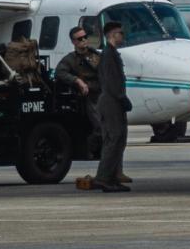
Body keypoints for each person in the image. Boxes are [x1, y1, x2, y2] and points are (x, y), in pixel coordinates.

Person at [91, 21, 132, 192]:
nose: (122, 35)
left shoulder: (112, 53)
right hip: (111, 101)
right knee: (113, 140)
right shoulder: (109, 54)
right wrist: (122, 97)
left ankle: (113, 177)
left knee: (119, 140)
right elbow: (111, 80)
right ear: (112, 35)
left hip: (114, 101)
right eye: (120, 33)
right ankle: (103, 178)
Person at [55, 26, 102, 154]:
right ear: (74, 42)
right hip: (89, 97)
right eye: (80, 38)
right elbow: (60, 72)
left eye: (85, 37)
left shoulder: (96, 55)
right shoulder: (71, 59)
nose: (84, 40)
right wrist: (77, 81)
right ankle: (88, 149)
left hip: (102, 95)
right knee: (99, 127)